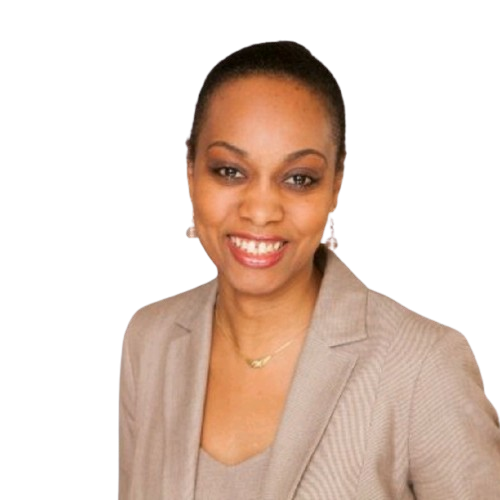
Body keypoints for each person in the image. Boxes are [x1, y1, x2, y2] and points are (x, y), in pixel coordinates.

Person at [118, 40, 500, 499]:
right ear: (190, 171)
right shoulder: (150, 339)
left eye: (298, 178)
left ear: (336, 185)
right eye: (230, 171)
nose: (261, 210)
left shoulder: (424, 365)